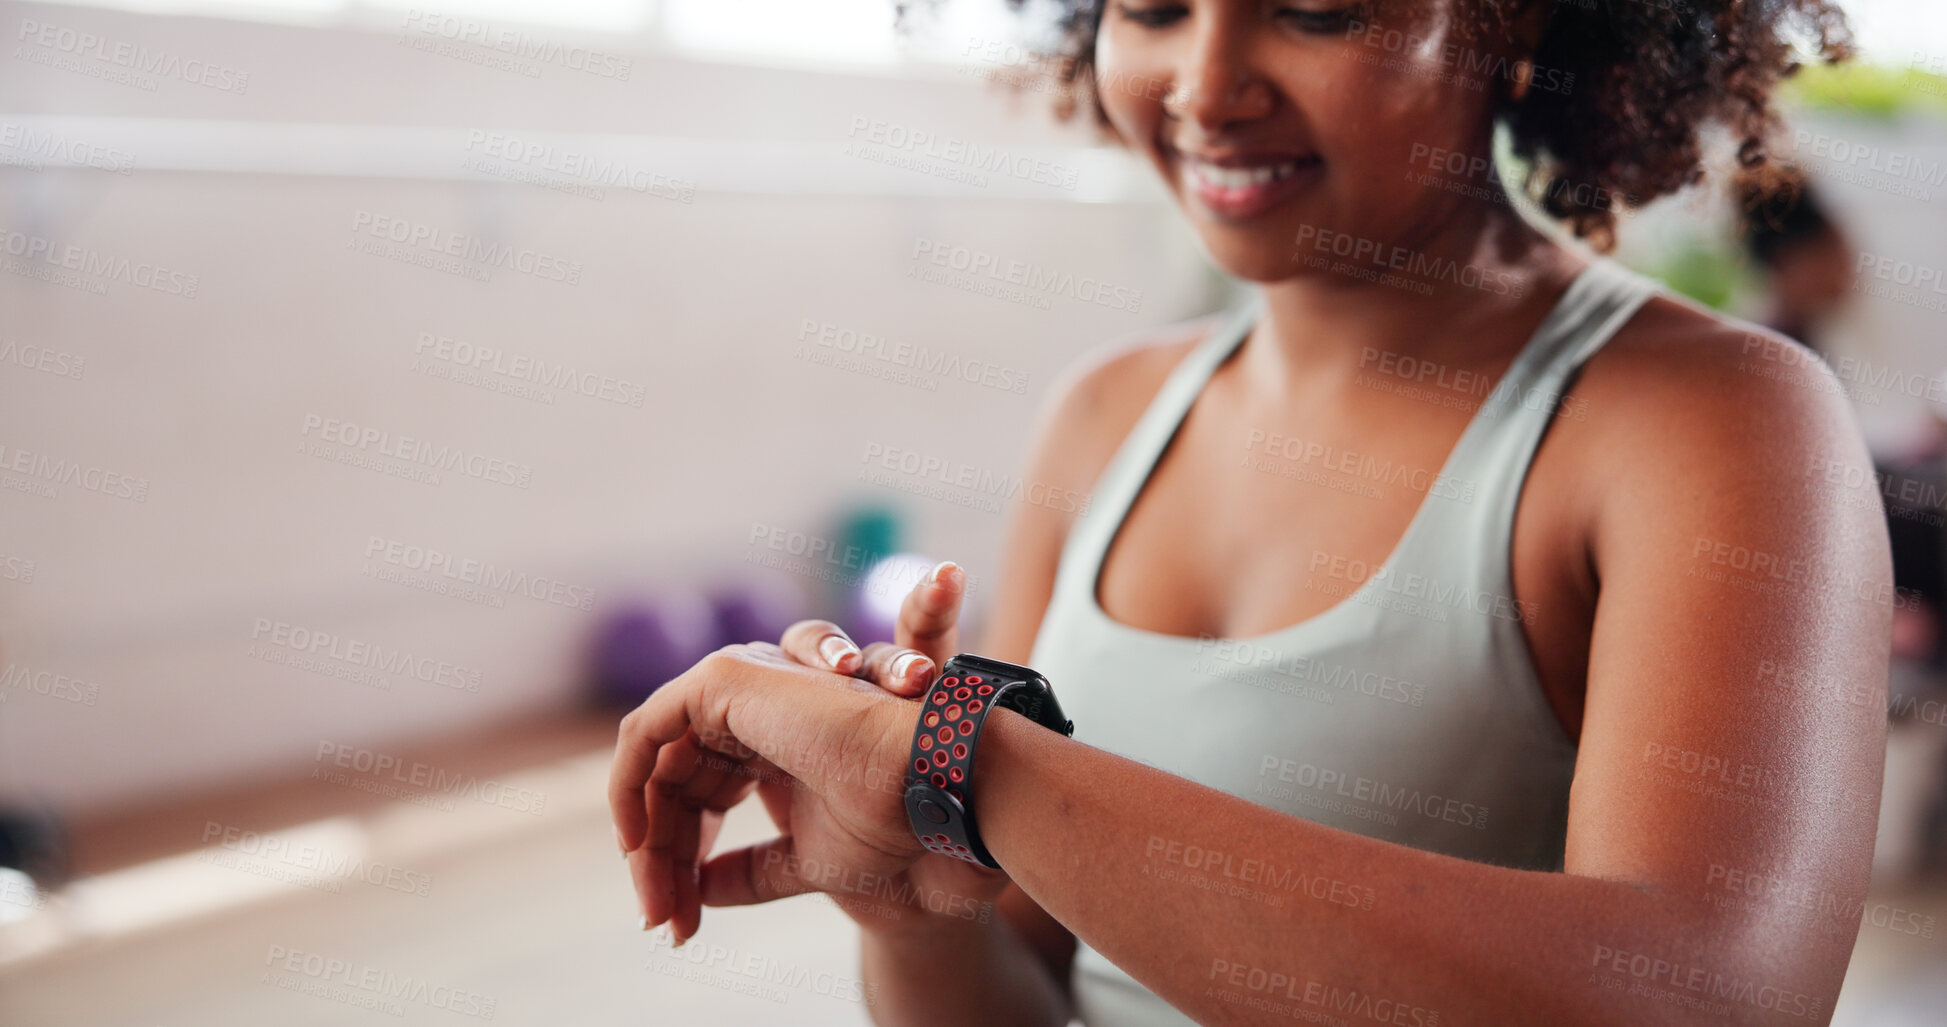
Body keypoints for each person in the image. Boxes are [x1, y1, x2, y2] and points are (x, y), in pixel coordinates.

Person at [612, 2, 1892, 1024]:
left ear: (1512, 23)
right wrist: (903, 887)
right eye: (1153, 8)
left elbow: (1713, 995)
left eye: (1315, 11)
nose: (1207, 85)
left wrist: (962, 761)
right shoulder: (1105, 414)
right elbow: (1024, 988)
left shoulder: (1713, 419)